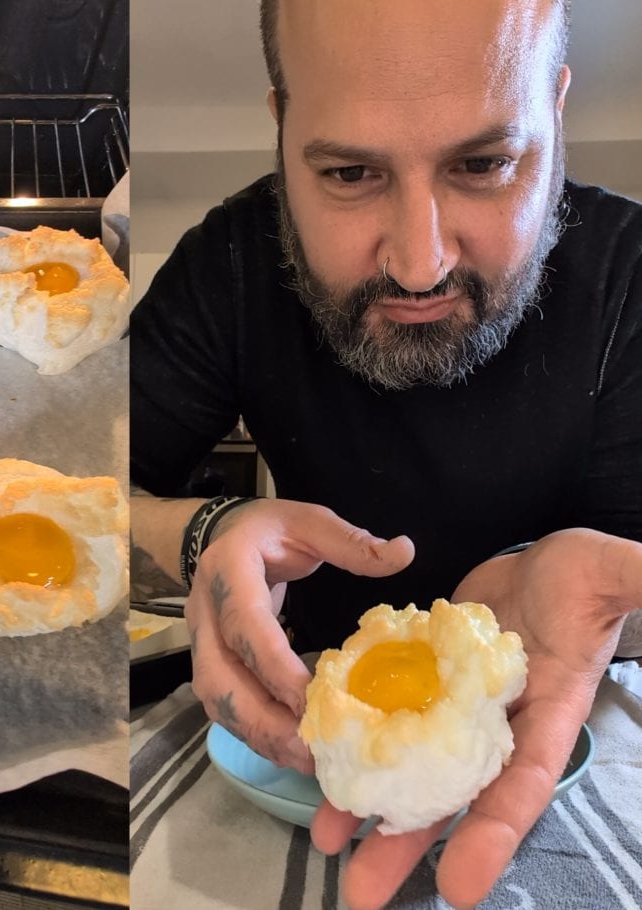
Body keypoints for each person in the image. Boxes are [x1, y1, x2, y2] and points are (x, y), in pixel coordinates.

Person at [129, 0, 642, 907]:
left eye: (485, 165)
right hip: (294, 754)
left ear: (556, 116)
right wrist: (208, 530)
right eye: (351, 172)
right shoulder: (232, 265)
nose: (418, 262)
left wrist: (606, 617)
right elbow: (77, 495)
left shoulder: (632, 279)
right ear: (282, 126)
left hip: (577, 755)